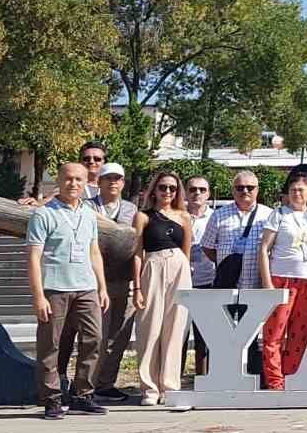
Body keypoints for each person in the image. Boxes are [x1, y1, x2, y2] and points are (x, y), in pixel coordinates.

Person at [26, 162, 110, 419]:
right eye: (68, 179)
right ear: (59, 181)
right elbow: (33, 256)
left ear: (86, 183)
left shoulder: (88, 213)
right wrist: (39, 296)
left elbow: (94, 251)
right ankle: (51, 399)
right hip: (55, 287)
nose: (73, 184)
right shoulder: (44, 214)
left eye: (79, 180)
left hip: (86, 288)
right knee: (50, 345)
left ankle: (82, 394)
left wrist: (102, 287)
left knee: (94, 339)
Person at [130, 170, 193, 406]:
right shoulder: (143, 216)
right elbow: (136, 253)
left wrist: (185, 275)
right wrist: (136, 287)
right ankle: (149, 387)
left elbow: (187, 250)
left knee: (176, 328)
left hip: (178, 267)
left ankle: (170, 385)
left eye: (172, 188)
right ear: (154, 190)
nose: (167, 192)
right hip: (152, 266)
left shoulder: (184, 217)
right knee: (149, 327)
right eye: (163, 187)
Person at [255, 175, 307, 391]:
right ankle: (275, 383)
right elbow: (264, 248)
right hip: (281, 278)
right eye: (293, 189)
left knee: (300, 334)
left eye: (302, 190)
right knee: (274, 334)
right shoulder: (279, 214)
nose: (297, 194)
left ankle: (292, 378)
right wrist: (267, 283)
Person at [85, 162, 140, 402]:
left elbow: (130, 238)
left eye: (118, 178)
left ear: (123, 183)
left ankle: (106, 384)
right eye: (108, 178)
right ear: (99, 182)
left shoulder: (131, 208)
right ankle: (87, 385)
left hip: (124, 280)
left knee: (119, 337)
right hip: (96, 281)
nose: (113, 182)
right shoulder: (87, 206)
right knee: (95, 336)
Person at [183, 174, 215, 376]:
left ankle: (203, 380)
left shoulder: (215, 217)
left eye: (202, 190)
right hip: (181, 283)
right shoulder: (177, 215)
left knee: (205, 336)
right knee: (178, 336)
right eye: (193, 189)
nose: (197, 193)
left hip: (208, 281)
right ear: (186, 192)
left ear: (208, 194)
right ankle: (173, 381)